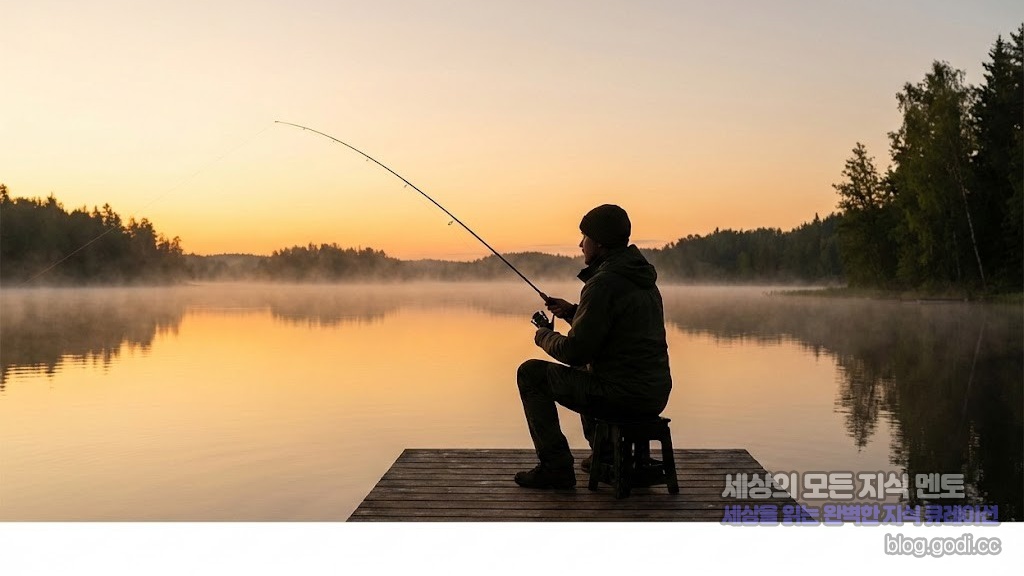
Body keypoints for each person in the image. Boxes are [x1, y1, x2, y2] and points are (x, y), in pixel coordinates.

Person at [515, 204, 672, 489]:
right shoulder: (641, 279)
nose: (580, 244)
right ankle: (607, 454)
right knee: (587, 368)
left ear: (599, 242)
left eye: (584, 237)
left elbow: (576, 351)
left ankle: (555, 468)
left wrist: (542, 335)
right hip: (654, 393)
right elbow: (616, 332)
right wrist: (572, 312)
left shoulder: (603, 284)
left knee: (530, 374)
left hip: (623, 396)